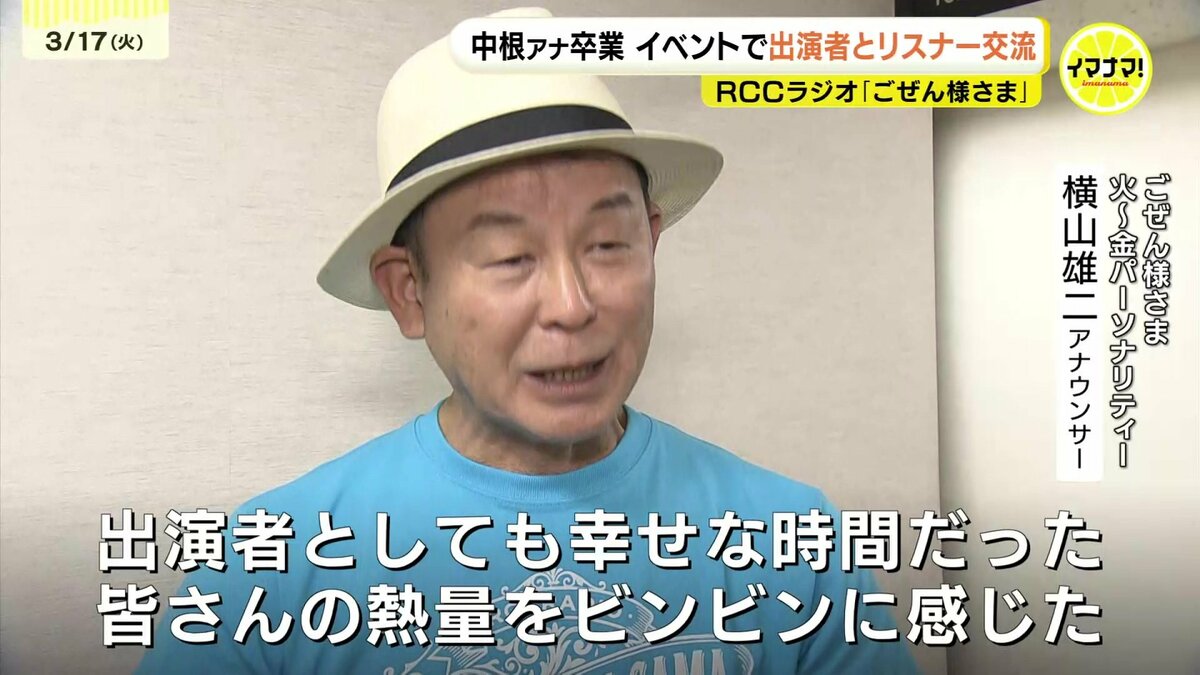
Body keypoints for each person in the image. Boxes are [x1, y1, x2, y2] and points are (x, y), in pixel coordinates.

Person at [136, 8, 921, 675]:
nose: (573, 305)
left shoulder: (795, 545)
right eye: (511, 257)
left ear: (653, 241)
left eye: (608, 244)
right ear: (409, 290)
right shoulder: (272, 569)